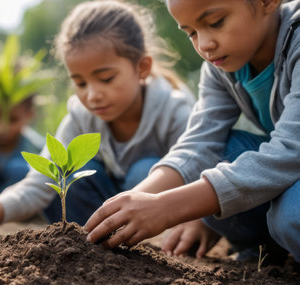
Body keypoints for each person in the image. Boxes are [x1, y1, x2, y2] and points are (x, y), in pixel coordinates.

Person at [0, 0, 195, 243]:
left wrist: (199, 223)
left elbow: (200, 166)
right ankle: (96, 245)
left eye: (106, 78)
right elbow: (39, 182)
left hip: (156, 221)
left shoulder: (173, 109)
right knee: (68, 178)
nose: (92, 95)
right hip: (99, 219)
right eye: (80, 83)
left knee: (145, 170)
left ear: (142, 68)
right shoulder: (81, 116)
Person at [85, 0, 300, 264]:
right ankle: (264, 250)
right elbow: (199, 145)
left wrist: (166, 208)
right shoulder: (221, 65)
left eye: (216, 22)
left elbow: (290, 151)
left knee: (292, 217)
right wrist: (128, 205)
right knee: (205, 164)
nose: (204, 45)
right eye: (191, 32)